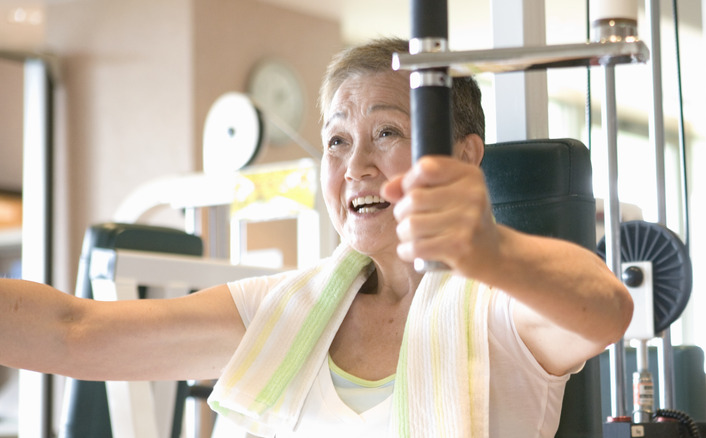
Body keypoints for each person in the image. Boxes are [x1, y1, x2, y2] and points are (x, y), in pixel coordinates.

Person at [0, 37, 632, 437]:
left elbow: (606, 309)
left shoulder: (496, 309)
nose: (356, 164)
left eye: (386, 132)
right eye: (336, 140)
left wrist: (490, 249)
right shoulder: (278, 313)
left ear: (465, 157)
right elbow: (72, 331)